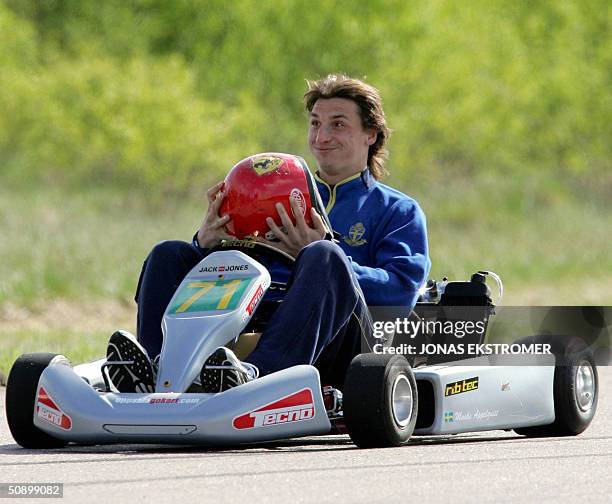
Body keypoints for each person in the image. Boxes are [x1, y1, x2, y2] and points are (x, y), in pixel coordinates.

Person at [106, 74, 431, 394]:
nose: (322, 136)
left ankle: (257, 376)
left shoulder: (397, 210)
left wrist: (319, 252)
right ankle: (154, 368)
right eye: (316, 123)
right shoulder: (279, 190)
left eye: (338, 124)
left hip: (344, 342)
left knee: (325, 257)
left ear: (371, 134)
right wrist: (204, 244)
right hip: (253, 320)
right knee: (169, 253)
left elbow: (400, 294)